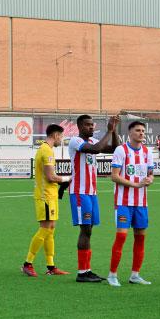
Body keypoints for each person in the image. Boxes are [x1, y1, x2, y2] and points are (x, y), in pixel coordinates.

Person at [68, 114, 121, 283]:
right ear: (79, 127)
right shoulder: (75, 141)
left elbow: (115, 149)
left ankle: (87, 270)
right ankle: (82, 272)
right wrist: (109, 130)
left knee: (89, 230)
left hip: (91, 193)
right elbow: (97, 149)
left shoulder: (91, 143)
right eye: (87, 125)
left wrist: (114, 130)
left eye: (92, 125)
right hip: (79, 192)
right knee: (85, 230)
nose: (91, 127)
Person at [107, 121, 155, 286]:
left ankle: (135, 274)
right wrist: (136, 185)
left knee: (140, 239)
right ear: (130, 133)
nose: (141, 133)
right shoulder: (121, 150)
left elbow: (150, 174)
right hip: (123, 202)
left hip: (141, 203)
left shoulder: (148, 152)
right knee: (121, 237)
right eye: (138, 130)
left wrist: (150, 179)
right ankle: (112, 275)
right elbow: (114, 176)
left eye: (143, 130)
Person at [22, 125, 71, 277]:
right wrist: (67, 179)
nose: (61, 139)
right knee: (45, 229)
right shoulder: (46, 150)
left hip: (50, 195)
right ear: (56, 135)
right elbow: (51, 177)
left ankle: (51, 266)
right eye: (61, 136)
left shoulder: (45, 149)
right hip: (45, 196)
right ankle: (27, 263)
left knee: (50, 229)